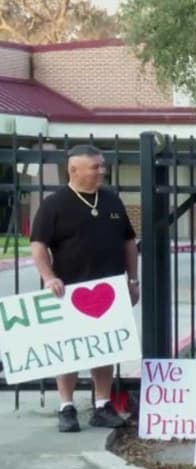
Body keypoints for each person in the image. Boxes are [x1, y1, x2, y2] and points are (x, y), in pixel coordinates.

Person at [28, 145, 139, 433]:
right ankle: (67, 407)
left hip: (110, 290)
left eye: (103, 166)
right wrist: (49, 276)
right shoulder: (54, 204)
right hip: (68, 292)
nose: (102, 171)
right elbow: (38, 244)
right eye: (95, 167)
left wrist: (133, 280)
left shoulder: (112, 201)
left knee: (105, 349)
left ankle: (102, 405)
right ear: (74, 169)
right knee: (69, 351)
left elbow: (128, 241)